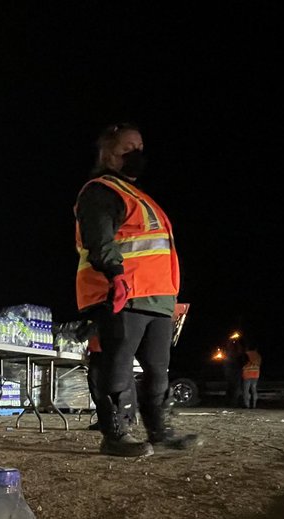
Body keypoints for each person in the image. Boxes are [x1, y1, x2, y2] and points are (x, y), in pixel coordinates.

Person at [74, 123, 196, 456]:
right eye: (128, 148)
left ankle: (159, 430)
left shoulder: (141, 198)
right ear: (108, 154)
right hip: (122, 294)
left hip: (157, 299)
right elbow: (100, 241)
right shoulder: (100, 191)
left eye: (139, 147)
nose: (136, 154)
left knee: (158, 370)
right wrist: (116, 275)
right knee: (117, 366)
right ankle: (115, 435)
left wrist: (171, 298)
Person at [241, 343, 262, 409]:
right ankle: (254, 405)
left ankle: (246, 405)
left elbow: (242, 363)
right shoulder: (258, 355)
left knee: (246, 390)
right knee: (254, 389)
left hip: (247, 374)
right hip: (256, 374)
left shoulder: (246, 354)